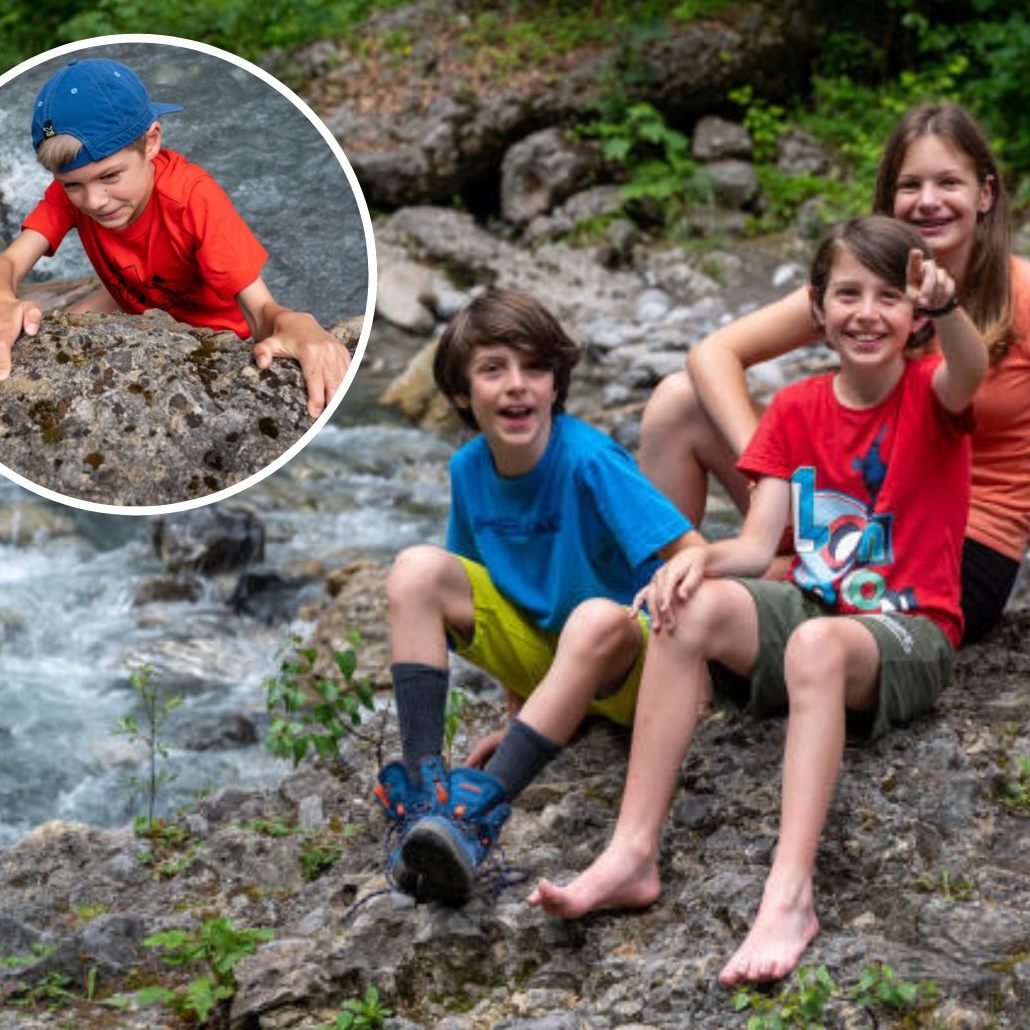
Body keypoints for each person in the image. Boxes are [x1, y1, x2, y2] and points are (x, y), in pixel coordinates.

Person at [528, 216, 987, 986]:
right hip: (815, 613)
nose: (866, 312)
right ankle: (632, 851)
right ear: (816, 309)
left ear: (912, 319)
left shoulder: (930, 393)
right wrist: (696, 561)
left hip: (907, 630)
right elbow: (756, 543)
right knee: (692, 604)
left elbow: (968, 370)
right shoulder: (797, 409)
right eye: (847, 294)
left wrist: (948, 307)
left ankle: (789, 892)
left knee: (814, 646)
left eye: (887, 297)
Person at [639, 103, 1030, 643]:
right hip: (842, 507)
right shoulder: (864, 292)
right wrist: (768, 465)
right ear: (890, 198)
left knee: (735, 592)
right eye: (910, 185)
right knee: (677, 402)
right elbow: (712, 353)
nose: (929, 201)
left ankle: (713, 600)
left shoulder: (1021, 294)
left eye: (949, 183)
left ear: (985, 194)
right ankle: (662, 607)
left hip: (956, 545)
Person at [374, 288, 698, 904]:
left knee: (594, 618)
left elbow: (689, 553)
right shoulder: (469, 469)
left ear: (557, 385)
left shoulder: (590, 460)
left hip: (629, 665)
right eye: (494, 369)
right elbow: (485, 587)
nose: (517, 385)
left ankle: (473, 821)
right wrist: (521, 710)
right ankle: (422, 799)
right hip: (553, 668)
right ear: (463, 395)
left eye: (535, 368)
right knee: (417, 569)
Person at [0, 58, 350, 418]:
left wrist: (299, 325)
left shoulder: (193, 200)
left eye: (110, 176)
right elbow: (10, 262)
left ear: (151, 142)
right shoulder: (75, 190)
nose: (93, 201)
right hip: (137, 299)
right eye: (73, 185)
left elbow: (262, 311)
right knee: (39, 338)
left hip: (215, 335)